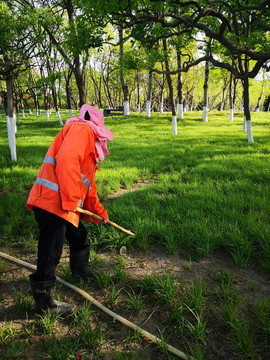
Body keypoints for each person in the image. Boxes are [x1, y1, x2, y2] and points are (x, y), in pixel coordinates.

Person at [26, 104, 114, 317]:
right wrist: (73, 200)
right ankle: (44, 304)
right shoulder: (82, 129)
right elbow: (66, 161)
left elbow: (88, 187)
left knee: (79, 234)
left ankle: (80, 273)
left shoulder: (89, 150)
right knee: (50, 252)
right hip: (52, 203)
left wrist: (99, 212)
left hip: (63, 204)